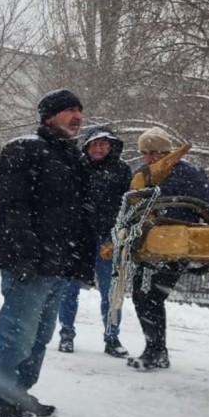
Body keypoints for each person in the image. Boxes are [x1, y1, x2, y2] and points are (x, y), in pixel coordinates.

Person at [0, 89, 94, 417]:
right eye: (69, 110)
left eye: (79, 111)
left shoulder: (73, 157)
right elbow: (11, 207)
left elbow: (80, 214)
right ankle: (1, 398)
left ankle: (20, 392)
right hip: (29, 264)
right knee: (17, 333)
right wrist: (24, 255)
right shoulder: (24, 149)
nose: (77, 117)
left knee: (40, 336)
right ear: (49, 115)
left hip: (59, 265)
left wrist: (80, 260)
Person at [127, 127, 209, 371]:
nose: (148, 158)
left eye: (153, 152)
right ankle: (156, 350)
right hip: (150, 245)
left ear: (165, 151)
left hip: (174, 244)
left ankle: (156, 351)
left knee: (151, 296)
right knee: (143, 296)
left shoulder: (187, 173)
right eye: (144, 153)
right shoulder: (145, 174)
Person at [55, 126, 133, 358]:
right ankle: (66, 334)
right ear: (87, 146)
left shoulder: (121, 171)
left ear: (111, 146)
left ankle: (112, 337)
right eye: (95, 144)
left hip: (107, 238)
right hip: (78, 238)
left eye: (104, 144)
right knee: (69, 289)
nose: (99, 148)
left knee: (111, 291)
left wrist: (119, 231)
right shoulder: (77, 167)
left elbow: (128, 204)